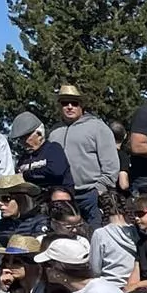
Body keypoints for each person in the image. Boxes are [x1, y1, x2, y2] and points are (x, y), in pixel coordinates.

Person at [44, 85, 118, 223]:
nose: (70, 107)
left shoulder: (98, 127)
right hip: (63, 197)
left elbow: (111, 165)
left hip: (91, 195)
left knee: (95, 233)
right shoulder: (54, 132)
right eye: (65, 103)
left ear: (81, 105)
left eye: (74, 103)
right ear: (59, 106)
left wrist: (99, 190)